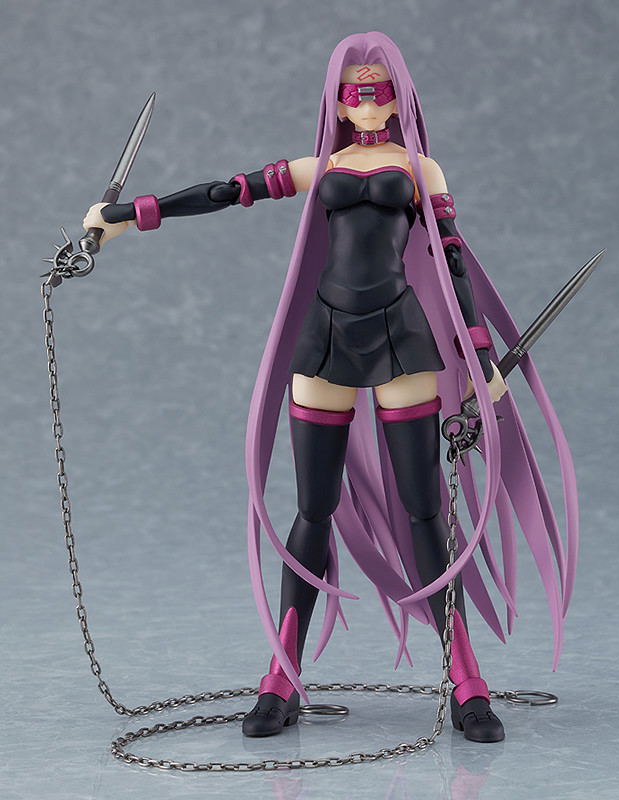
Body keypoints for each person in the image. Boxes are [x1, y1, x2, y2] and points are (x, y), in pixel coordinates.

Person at [83, 32, 578, 744]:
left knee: (425, 511)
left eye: (379, 88)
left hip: (402, 334)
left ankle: (465, 676)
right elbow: (230, 191)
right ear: (337, 101)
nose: (366, 99)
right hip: (326, 334)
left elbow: (453, 261)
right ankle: (283, 673)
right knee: (312, 510)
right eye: (354, 90)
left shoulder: (420, 168)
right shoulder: (321, 166)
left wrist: (480, 356)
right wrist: (130, 217)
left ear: (399, 96)